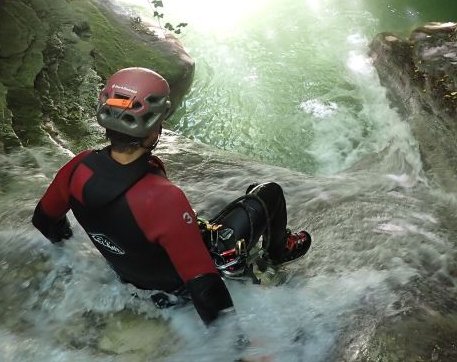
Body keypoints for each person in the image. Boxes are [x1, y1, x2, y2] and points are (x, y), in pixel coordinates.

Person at [31, 67, 311, 331]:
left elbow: (44, 220)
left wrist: (78, 250)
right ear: (154, 127)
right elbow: (205, 288)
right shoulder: (161, 199)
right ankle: (278, 251)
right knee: (267, 192)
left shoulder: (76, 169)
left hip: (136, 283)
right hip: (179, 294)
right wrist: (238, 350)